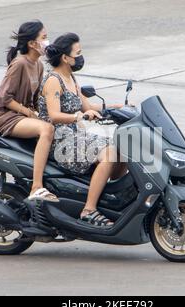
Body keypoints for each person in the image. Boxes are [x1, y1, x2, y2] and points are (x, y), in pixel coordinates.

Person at [37, 33, 127, 227]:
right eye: (78, 53)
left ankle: (111, 199)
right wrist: (79, 117)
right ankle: (89, 210)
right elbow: (54, 115)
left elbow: (88, 107)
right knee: (110, 154)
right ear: (65, 58)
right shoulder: (54, 80)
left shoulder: (71, 78)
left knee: (123, 150)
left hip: (77, 135)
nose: (80, 57)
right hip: (60, 141)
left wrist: (118, 108)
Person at [0, 20, 58, 202]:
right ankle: (36, 186)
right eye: (44, 38)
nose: (47, 42)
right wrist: (29, 113)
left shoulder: (39, 65)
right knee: (46, 130)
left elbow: (36, 100)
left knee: (58, 127)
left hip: (23, 116)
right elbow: (3, 98)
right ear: (31, 43)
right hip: (8, 118)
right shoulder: (19, 63)